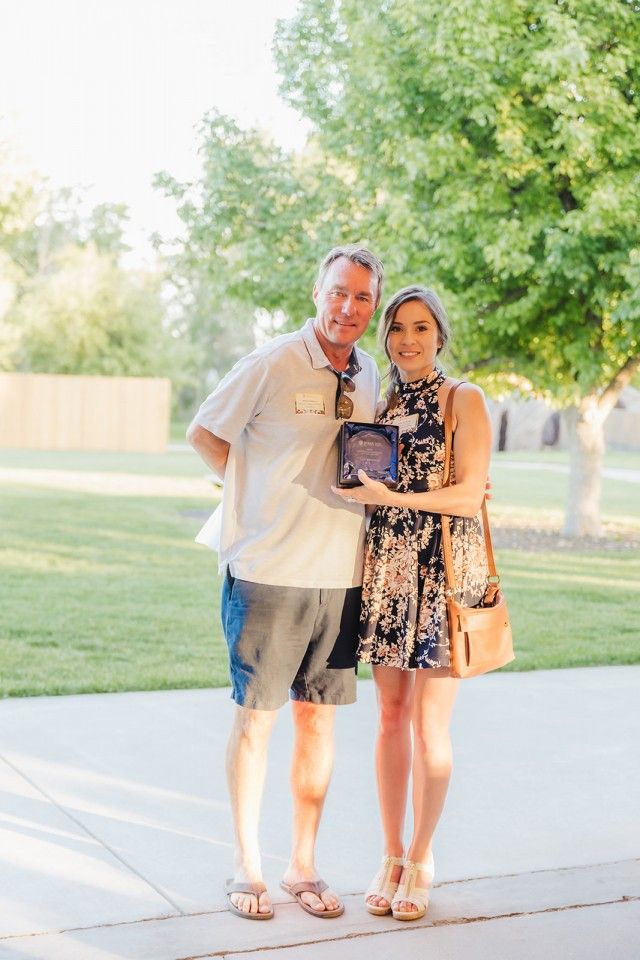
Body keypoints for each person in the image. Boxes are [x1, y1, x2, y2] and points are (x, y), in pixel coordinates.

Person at [187, 245, 384, 920]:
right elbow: (205, 432)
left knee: (318, 724)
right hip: (268, 573)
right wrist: (251, 494)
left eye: (361, 297)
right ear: (316, 292)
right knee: (256, 722)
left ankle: (304, 865)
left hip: (341, 578)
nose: (347, 307)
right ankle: (248, 867)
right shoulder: (271, 361)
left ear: (373, 305)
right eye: (338, 292)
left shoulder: (371, 374)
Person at [332, 285, 492, 922]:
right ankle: (391, 854)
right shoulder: (385, 403)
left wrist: (392, 499)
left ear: (440, 336)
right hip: (390, 574)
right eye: (397, 328)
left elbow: (468, 495)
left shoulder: (465, 399)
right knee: (390, 718)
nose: (407, 339)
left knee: (431, 725)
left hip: (446, 573)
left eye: (421, 328)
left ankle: (423, 858)